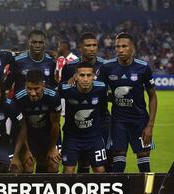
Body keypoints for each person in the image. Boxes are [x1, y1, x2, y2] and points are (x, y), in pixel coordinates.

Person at [98, 32, 157, 172]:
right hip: (118, 121)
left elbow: (153, 97)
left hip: (140, 121)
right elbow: (96, 90)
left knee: (143, 159)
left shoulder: (143, 67)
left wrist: (150, 125)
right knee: (118, 158)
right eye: (117, 46)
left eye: (124, 46)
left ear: (133, 48)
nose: (120, 50)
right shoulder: (107, 67)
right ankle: (119, 193)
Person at [61, 32, 112, 173]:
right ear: (80, 47)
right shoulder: (69, 68)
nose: (92, 48)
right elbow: (62, 91)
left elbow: (110, 92)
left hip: (102, 119)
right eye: (88, 45)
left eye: (94, 45)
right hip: (76, 124)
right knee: (82, 160)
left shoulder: (106, 66)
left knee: (106, 160)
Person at [58, 61, 107, 174]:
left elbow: (103, 109)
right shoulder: (65, 88)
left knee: (100, 170)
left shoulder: (101, 88)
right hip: (72, 137)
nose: (85, 79)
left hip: (94, 136)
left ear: (93, 76)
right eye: (82, 75)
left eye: (89, 75)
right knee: (68, 170)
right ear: (75, 76)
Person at [14, 70, 61, 173]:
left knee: (53, 163)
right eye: (29, 89)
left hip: (48, 133)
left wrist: (52, 148)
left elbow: (55, 123)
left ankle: (48, 187)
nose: (33, 93)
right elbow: (21, 126)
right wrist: (26, 150)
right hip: (29, 133)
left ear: (43, 85)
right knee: (28, 163)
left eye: (36, 89)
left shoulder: (53, 96)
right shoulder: (19, 97)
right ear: (25, 85)